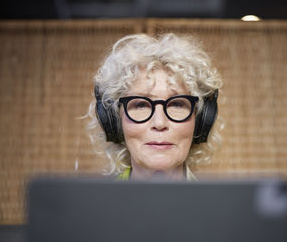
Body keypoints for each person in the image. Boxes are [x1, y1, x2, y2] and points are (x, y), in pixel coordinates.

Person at [87, 33, 222, 180]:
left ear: (201, 120)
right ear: (114, 121)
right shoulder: (93, 203)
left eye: (177, 104)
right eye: (140, 105)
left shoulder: (222, 203)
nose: (159, 123)